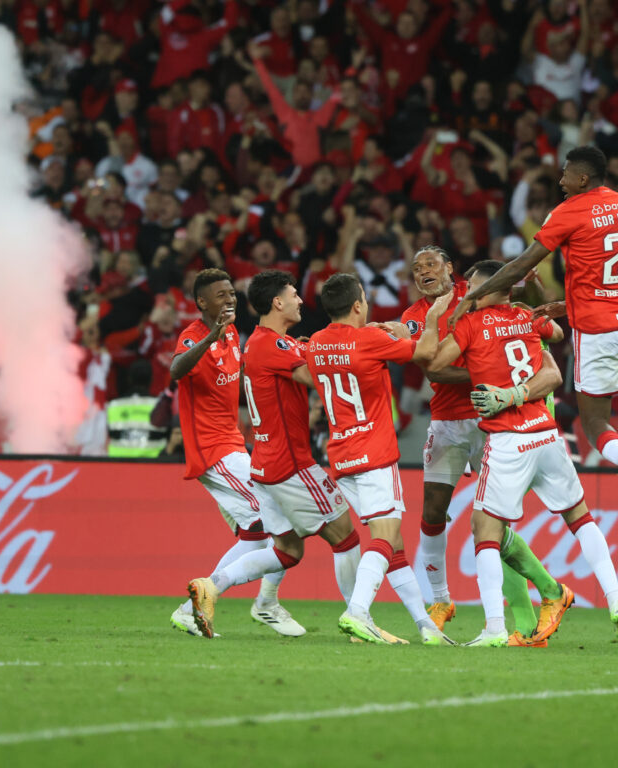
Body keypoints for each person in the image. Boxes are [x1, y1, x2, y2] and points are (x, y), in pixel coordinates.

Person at [449, 146, 618, 514]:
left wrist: (473, 295)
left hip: (599, 329)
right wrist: (567, 304)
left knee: (594, 421)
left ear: (582, 178)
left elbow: (520, 266)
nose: (560, 181)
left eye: (565, 174)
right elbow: (609, 271)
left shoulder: (567, 212)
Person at [420, 260, 618, 646]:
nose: (464, 291)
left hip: (507, 437)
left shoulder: (470, 323)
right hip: (547, 433)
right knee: (580, 519)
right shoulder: (524, 317)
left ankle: (494, 628)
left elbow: (433, 363)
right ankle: (617, 602)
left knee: (485, 531)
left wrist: (444, 317)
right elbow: (554, 338)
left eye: (470, 287)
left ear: (485, 291)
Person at [401, 246, 568, 647]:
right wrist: (483, 370)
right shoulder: (414, 318)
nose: (423, 271)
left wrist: (492, 376)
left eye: (431, 264)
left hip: (491, 419)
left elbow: (533, 338)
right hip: (445, 420)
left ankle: (527, 617)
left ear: (450, 269)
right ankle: (441, 601)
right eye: (416, 268)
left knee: (492, 522)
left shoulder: (476, 292)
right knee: (432, 510)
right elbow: (430, 366)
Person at [186, 271, 362, 638]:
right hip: (292, 463)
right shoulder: (272, 346)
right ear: (278, 302)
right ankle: (358, 617)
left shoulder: (261, 343)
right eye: (295, 295)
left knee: (286, 550)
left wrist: (308, 349)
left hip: (264, 463)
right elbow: (314, 380)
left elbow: (293, 361)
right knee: (346, 538)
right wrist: (345, 350)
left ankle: (212, 587)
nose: (301, 301)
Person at [304, 272, 453, 646]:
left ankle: (426, 627)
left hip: (340, 456)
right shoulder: (370, 338)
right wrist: (429, 320)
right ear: (358, 305)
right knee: (384, 540)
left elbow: (338, 352)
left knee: (395, 546)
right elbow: (426, 353)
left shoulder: (317, 343)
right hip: (373, 452)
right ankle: (357, 613)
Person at [168, 268, 303, 638]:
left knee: (256, 535)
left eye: (231, 293)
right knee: (281, 520)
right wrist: (210, 334)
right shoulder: (196, 335)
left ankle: (193, 605)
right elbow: (176, 369)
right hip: (214, 452)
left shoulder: (231, 334)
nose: (230, 299)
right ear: (201, 302)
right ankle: (267, 604)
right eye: (221, 295)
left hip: (233, 445)